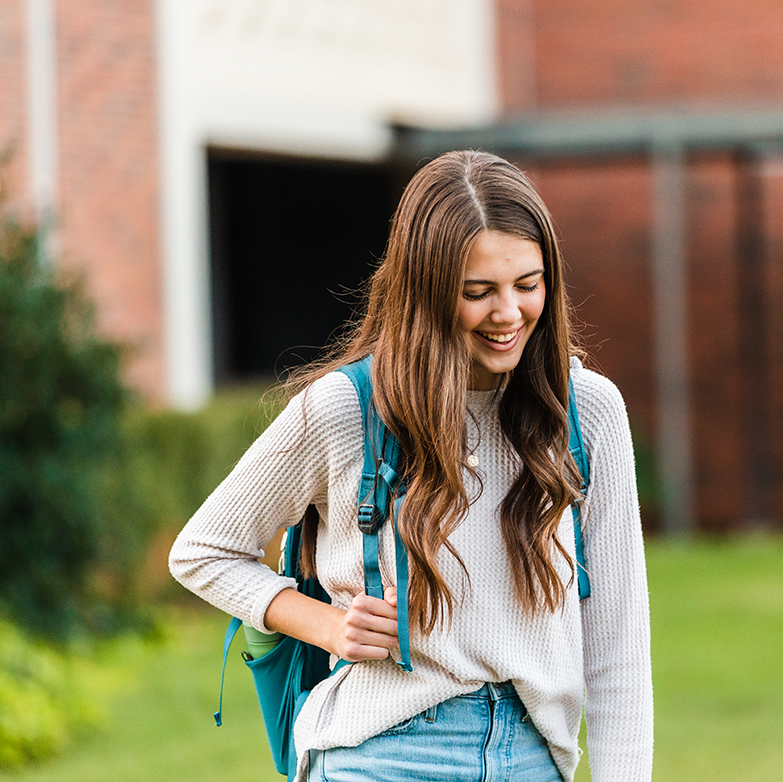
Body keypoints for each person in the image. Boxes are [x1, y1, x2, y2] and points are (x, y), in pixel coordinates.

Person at [169, 150, 653, 782]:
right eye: (478, 292)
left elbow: (616, 648)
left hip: (533, 755)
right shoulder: (347, 410)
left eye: (527, 285)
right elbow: (204, 549)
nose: (508, 314)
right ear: (426, 292)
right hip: (382, 753)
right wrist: (325, 624)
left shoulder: (587, 412)